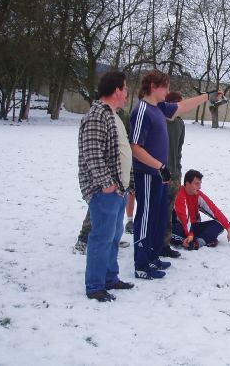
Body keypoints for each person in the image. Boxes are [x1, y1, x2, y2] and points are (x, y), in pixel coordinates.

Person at [130, 70, 222, 279]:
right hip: (147, 174)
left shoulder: (159, 107)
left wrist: (207, 96)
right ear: (154, 86)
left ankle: (153, 256)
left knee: (158, 218)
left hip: (160, 176)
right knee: (145, 218)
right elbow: (135, 147)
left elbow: (182, 106)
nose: (168, 91)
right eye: (166, 87)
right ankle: (141, 265)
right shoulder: (142, 110)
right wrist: (158, 166)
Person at [78, 71, 134, 302]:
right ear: (116, 91)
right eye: (125, 89)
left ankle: (111, 277)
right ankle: (95, 285)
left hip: (118, 189)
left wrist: (123, 184)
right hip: (105, 191)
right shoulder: (96, 115)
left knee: (113, 235)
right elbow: (93, 153)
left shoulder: (113, 115)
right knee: (101, 236)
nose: (127, 93)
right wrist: (107, 184)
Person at [74, 108, 134, 254]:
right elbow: (93, 149)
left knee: (116, 211)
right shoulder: (99, 115)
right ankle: (83, 239)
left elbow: (127, 141)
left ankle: (113, 238)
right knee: (98, 208)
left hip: (120, 170)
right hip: (104, 173)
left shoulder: (123, 116)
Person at [171, 169, 230, 249]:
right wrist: (190, 235)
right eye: (196, 184)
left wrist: (229, 228)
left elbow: (214, 210)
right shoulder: (180, 194)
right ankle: (201, 240)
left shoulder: (198, 195)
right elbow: (184, 218)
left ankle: (197, 242)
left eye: (200, 183)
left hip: (193, 226)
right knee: (169, 231)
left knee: (219, 224)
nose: (200, 187)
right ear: (187, 184)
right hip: (180, 227)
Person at [161, 91, 184, 259]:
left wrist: (177, 169)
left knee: (169, 211)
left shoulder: (180, 123)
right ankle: (154, 243)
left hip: (175, 173)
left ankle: (164, 244)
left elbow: (179, 149)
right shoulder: (160, 121)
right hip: (160, 173)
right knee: (159, 210)